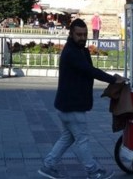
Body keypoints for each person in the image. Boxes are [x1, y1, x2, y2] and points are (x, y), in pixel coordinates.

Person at [38, 18, 125, 179]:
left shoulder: (79, 50)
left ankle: (48, 166)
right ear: (71, 34)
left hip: (67, 104)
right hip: (72, 105)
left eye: (85, 34)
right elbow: (90, 71)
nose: (83, 37)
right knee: (82, 140)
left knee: (67, 138)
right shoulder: (71, 52)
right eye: (79, 34)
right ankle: (93, 171)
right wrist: (113, 79)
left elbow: (90, 69)